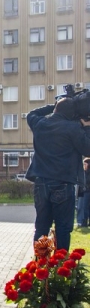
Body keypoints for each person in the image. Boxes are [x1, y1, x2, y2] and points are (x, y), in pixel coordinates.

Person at [26, 98, 90, 250]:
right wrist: (86, 127)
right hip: (63, 182)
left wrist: (53, 105)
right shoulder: (72, 128)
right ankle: (60, 266)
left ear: (56, 109)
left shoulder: (40, 124)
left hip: (41, 183)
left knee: (41, 226)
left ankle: (39, 265)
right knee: (63, 227)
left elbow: (31, 113)